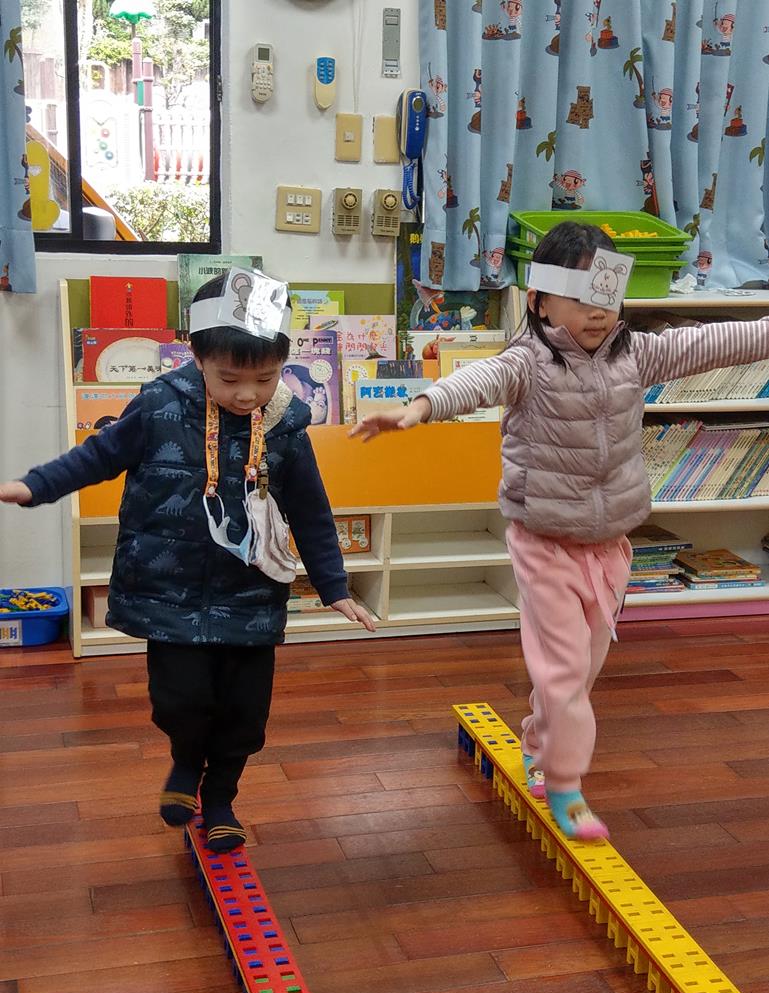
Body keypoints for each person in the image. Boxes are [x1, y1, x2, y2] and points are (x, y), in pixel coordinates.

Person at [351, 220, 769, 841]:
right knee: (566, 671)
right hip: (544, 542)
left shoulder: (637, 354)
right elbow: (477, 381)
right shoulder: (529, 363)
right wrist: (420, 407)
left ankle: (538, 741)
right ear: (540, 301)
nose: (597, 311)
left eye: (607, 295)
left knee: (578, 671)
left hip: (611, 547)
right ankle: (567, 785)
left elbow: (718, 341)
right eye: (578, 296)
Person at [0, 270, 375, 852]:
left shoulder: (285, 424)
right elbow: (98, 455)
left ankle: (220, 798)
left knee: (245, 713)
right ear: (198, 357)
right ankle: (184, 762)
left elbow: (311, 509)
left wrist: (334, 586)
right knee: (180, 700)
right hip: (167, 589)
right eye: (230, 378)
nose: (247, 394)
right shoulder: (158, 405)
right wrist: (35, 486)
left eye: (265, 378)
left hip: (251, 593)